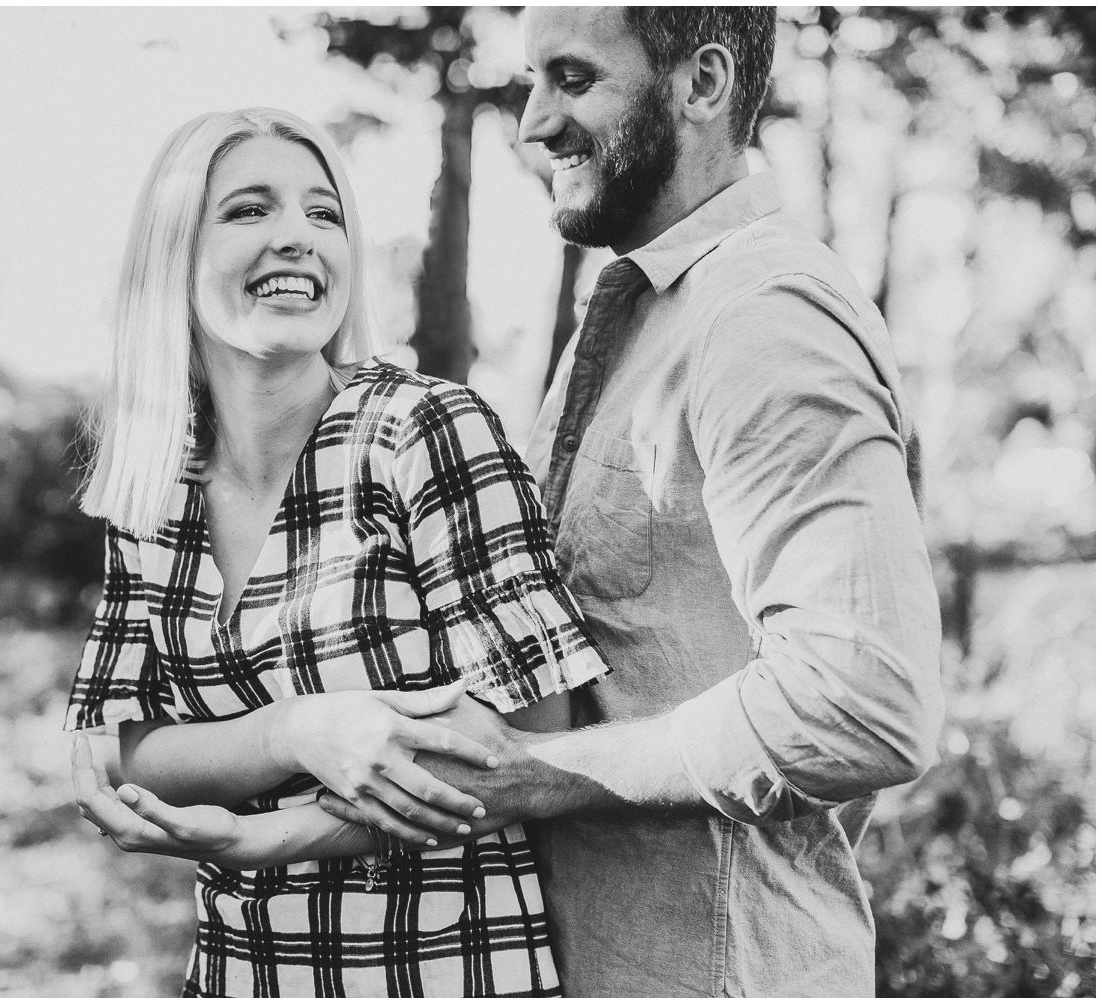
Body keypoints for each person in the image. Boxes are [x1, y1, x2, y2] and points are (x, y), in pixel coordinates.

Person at [317, 7, 945, 996]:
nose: (532, 122)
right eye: (531, 80)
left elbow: (864, 702)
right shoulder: (635, 311)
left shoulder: (764, 317)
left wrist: (543, 771)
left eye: (573, 78)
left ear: (701, 84)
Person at [64, 106, 609, 997]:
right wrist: (295, 732)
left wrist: (270, 833)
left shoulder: (421, 431)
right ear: (173, 254)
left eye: (324, 215)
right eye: (249, 211)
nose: (297, 239)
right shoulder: (160, 485)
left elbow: (529, 732)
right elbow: (117, 748)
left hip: (450, 969)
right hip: (244, 974)